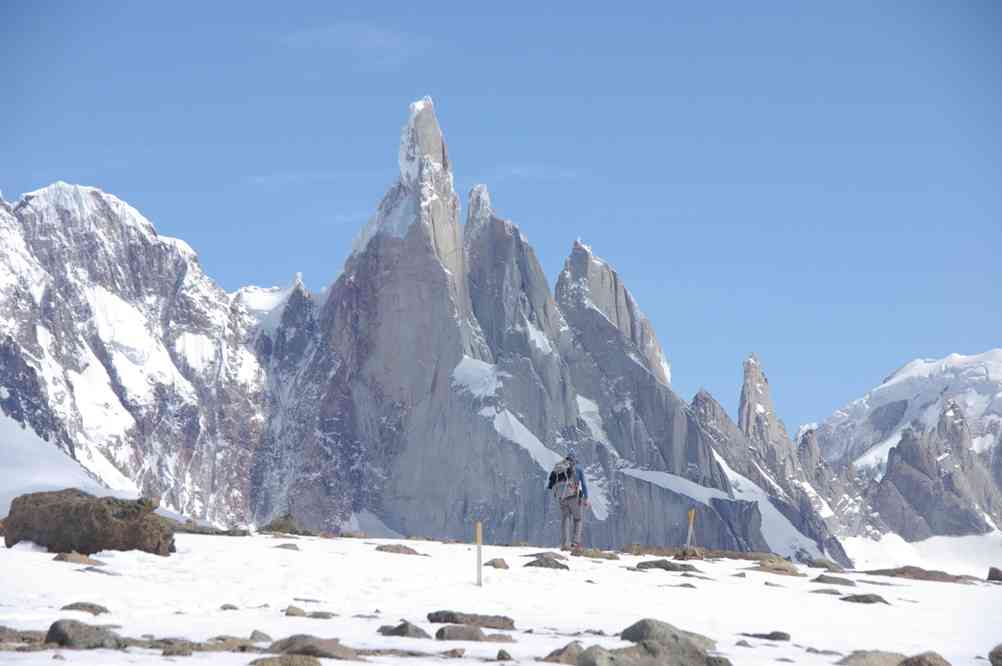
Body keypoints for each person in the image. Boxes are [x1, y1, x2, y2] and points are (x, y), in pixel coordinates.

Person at [547, 454, 589, 550]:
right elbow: (584, 484)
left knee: (565, 519)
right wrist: (586, 498)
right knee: (578, 519)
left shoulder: (559, 468)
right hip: (574, 496)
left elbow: (550, 485)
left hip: (561, 497)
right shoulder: (578, 468)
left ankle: (565, 544)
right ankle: (575, 543)